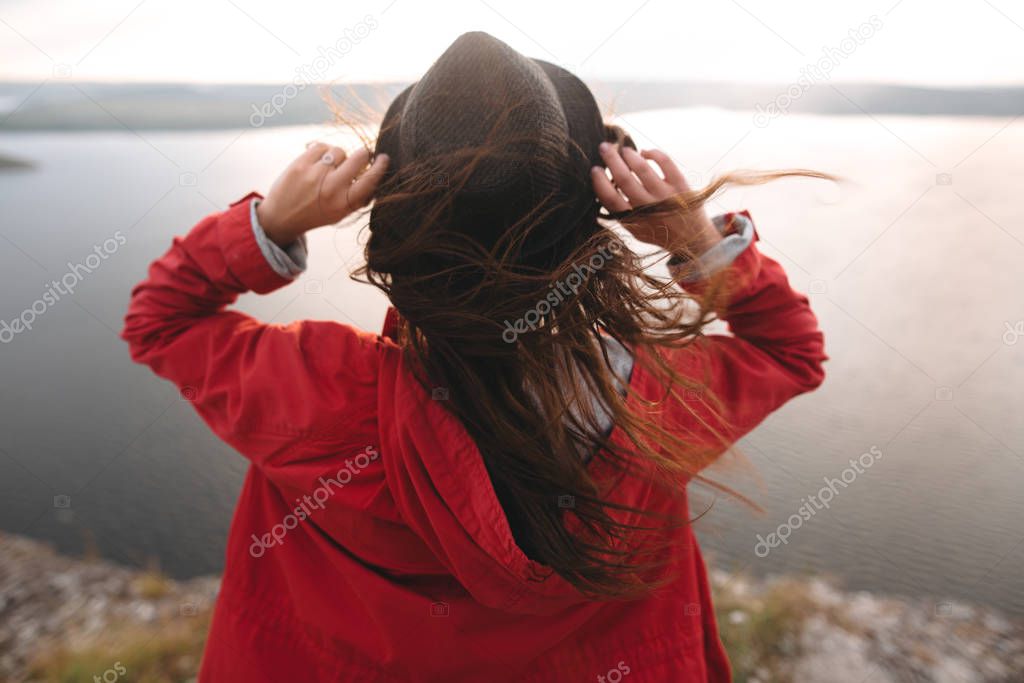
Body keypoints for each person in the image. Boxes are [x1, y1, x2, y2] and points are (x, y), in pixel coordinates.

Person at [123, 31, 826, 683]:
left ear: (392, 215)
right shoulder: (653, 401)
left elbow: (158, 319)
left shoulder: (319, 386)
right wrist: (697, 241)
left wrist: (271, 225)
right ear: (591, 223)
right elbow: (792, 350)